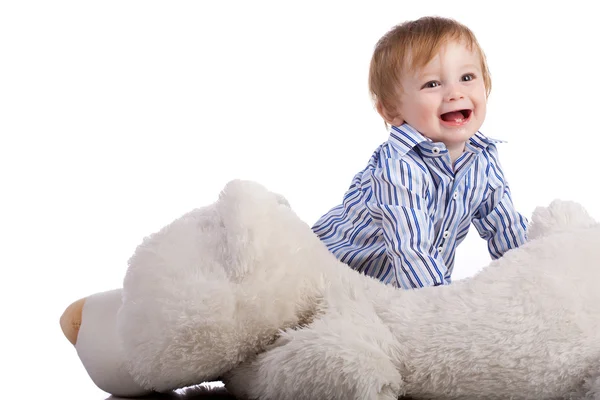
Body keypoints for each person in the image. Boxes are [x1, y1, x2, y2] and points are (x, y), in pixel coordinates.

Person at [312, 16, 528, 289]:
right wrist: (439, 311)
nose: (455, 93)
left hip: (397, 291)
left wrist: (532, 280)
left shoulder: (482, 157)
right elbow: (411, 251)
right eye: (432, 84)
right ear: (392, 110)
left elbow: (507, 229)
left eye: (467, 77)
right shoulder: (398, 166)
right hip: (328, 276)